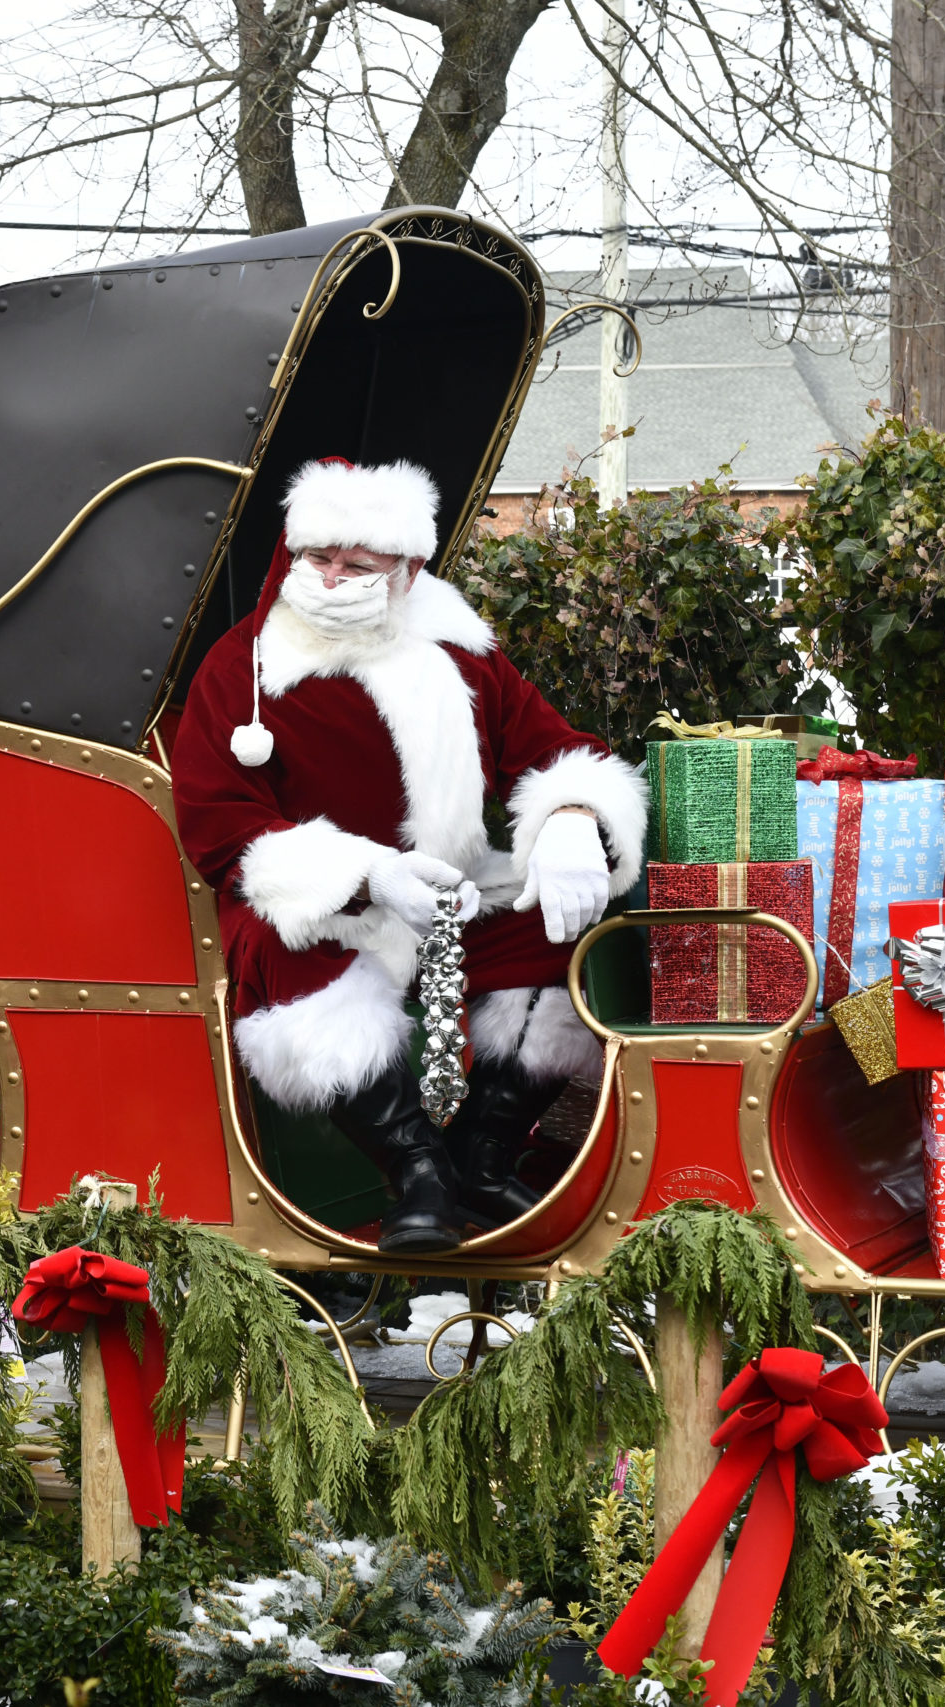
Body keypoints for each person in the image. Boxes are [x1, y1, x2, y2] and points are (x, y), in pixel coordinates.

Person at [172, 457, 648, 1254]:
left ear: (409, 568)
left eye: (356, 565)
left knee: (575, 926)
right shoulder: (244, 668)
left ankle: (483, 1154)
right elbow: (220, 824)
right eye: (316, 557)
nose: (329, 578)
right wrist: (367, 875)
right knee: (278, 946)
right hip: (328, 911)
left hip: (454, 898)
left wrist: (570, 814)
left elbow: (550, 746)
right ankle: (416, 1166)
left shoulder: (462, 652)